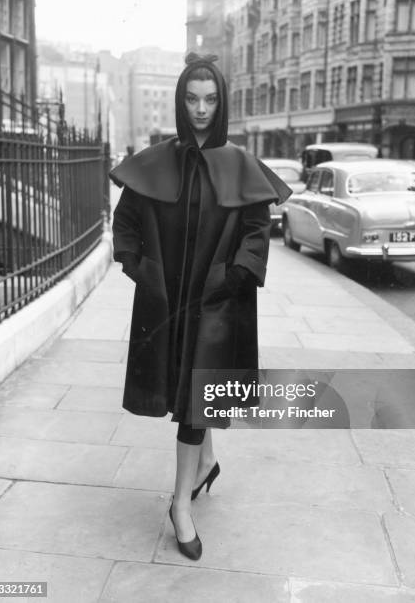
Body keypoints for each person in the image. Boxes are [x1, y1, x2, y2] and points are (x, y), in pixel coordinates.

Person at [110, 52, 290, 561]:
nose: (201, 109)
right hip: (168, 301)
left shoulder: (240, 164)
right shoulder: (157, 161)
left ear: (223, 103)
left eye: (210, 99)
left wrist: (235, 275)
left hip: (216, 302)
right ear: (179, 101)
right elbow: (125, 225)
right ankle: (207, 461)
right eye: (192, 98)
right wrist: (138, 268)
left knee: (198, 397)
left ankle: (179, 505)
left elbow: (258, 229)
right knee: (192, 393)